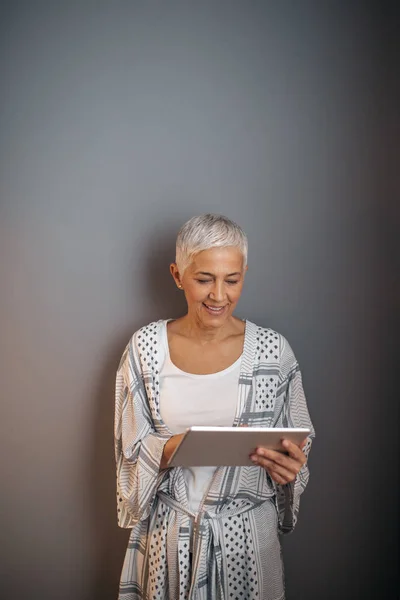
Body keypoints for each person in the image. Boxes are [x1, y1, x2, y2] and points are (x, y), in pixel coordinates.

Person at [114, 214, 315, 600]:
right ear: (177, 274)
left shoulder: (274, 353)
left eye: (232, 280)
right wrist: (169, 449)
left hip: (248, 544)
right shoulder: (144, 350)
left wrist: (290, 471)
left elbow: (296, 443)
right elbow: (128, 458)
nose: (218, 295)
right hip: (168, 541)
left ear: (244, 273)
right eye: (204, 279)